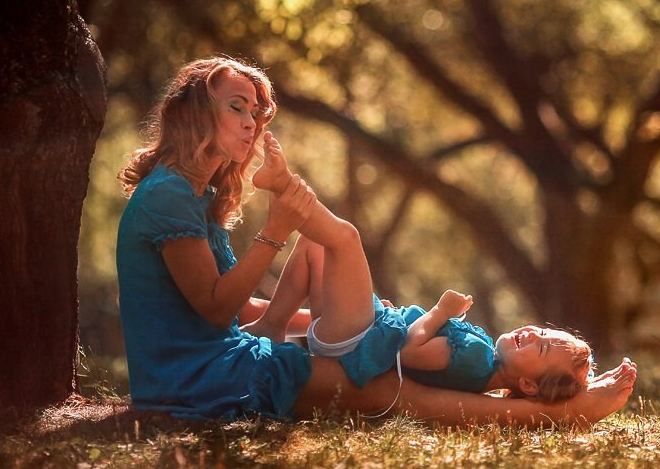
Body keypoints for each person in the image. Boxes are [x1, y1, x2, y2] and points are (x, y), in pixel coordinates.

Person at [115, 55, 636, 426]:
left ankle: (553, 405)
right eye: (236, 107)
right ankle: (555, 415)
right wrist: (274, 233)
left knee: (361, 345)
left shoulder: (193, 194)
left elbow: (228, 304)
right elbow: (212, 310)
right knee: (381, 389)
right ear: (196, 114)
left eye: (255, 110)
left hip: (220, 354)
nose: (251, 121)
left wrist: (316, 314)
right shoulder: (169, 196)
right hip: (191, 377)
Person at [246, 139, 595, 404]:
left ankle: (282, 184)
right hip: (358, 334)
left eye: (543, 349)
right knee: (316, 244)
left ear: (529, 385)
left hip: (357, 341)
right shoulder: (480, 365)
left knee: (346, 238)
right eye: (545, 334)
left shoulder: (477, 360)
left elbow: (409, 351)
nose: (535, 334)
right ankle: (272, 325)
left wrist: (442, 310)